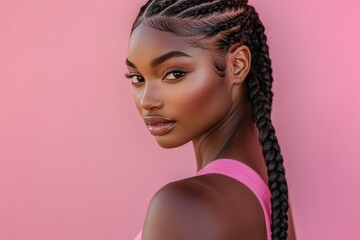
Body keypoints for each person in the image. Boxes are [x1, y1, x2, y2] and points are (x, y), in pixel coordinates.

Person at [125, 0, 296, 239]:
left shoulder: (182, 206)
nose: (147, 100)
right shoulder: (271, 194)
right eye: (136, 78)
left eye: (174, 74)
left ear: (237, 65)